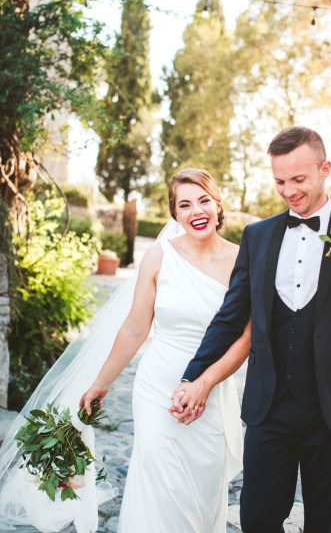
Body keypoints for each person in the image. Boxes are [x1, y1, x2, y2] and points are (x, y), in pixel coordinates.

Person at [172, 127, 331, 533]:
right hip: (269, 406)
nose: (289, 191)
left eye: (299, 179)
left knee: (323, 523)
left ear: (325, 169)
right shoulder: (257, 237)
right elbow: (230, 316)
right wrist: (192, 376)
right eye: (280, 181)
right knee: (257, 519)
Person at [80, 167, 250, 532]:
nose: (196, 211)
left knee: (201, 492)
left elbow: (245, 339)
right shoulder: (159, 257)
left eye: (203, 200)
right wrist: (101, 382)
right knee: (158, 482)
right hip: (157, 387)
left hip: (212, 389)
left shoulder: (243, 260)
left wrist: (203, 385)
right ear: (175, 214)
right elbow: (135, 327)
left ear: (218, 205)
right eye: (184, 205)